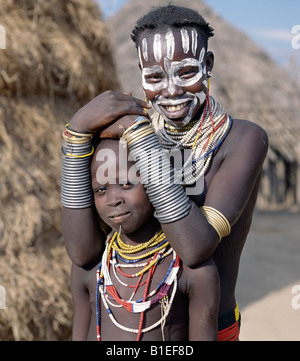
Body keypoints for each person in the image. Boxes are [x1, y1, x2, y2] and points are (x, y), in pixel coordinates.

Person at [61, 5, 268, 341]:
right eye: (155, 77)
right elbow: (83, 253)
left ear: (209, 65)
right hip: (130, 324)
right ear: (141, 72)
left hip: (209, 328)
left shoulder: (242, 139)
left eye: (186, 72)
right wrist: (77, 132)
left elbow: (195, 247)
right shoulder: (126, 135)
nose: (171, 91)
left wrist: (141, 137)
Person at [70, 138, 219, 341]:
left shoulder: (191, 272)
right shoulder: (90, 268)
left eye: (127, 184)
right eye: (101, 190)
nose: (114, 199)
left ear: (157, 184)